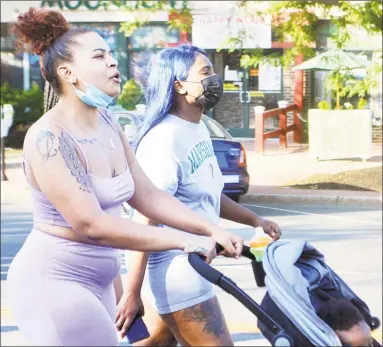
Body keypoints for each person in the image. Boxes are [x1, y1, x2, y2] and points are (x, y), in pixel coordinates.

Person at [7, 9, 244, 346]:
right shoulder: (49, 138)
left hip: (102, 281)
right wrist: (183, 240)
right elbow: (92, 225)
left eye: (112, 54)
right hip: (54, 281)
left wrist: (210, 228)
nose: (113, 63)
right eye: (100, 56)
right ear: (68, 72)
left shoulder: (107, 124)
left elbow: (146, 195)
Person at [116, 44, 282, 346]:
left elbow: (209, 196)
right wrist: (132, 291)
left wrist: (254, 219)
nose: (214, 79)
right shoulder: (165, 138)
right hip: (177, 271)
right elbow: (145, 218)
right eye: (205, 73)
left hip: (190, 269)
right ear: (178, 85)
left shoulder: (198, 128)